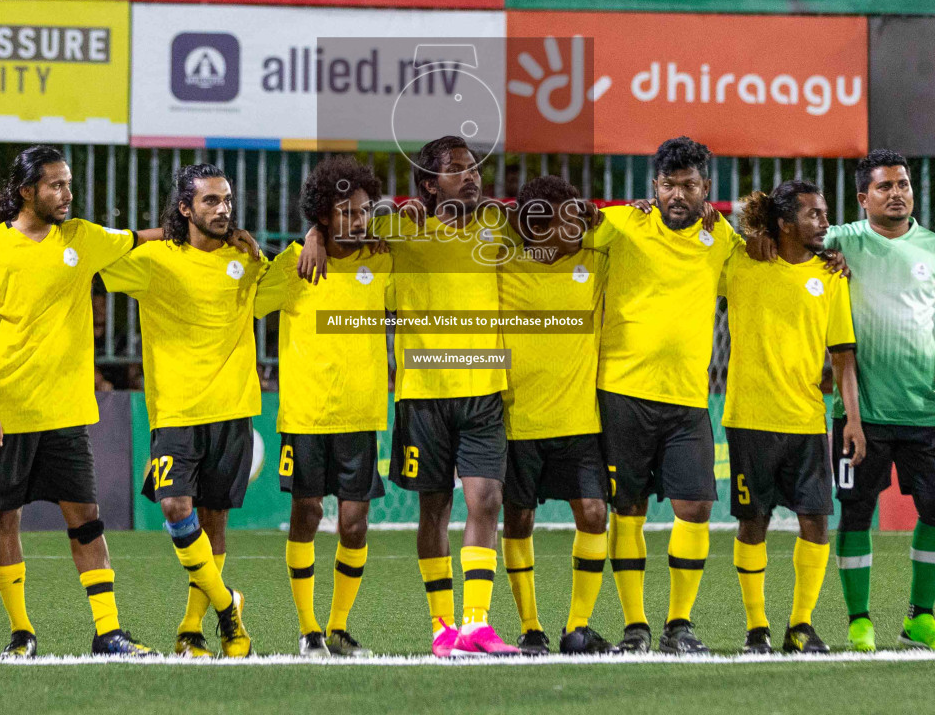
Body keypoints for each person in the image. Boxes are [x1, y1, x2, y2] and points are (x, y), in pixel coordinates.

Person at [298, 135, 521, 656]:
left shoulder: (498, 222)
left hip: (485, 388)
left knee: (486, 500)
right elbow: (340, 219)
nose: (472, 177)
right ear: (427, 183)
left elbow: (565, 219)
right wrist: (311, 233)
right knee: (435, 510)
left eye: (475, 169)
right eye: (458, 170)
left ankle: (477, 624)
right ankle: (443, 627)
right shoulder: (396, 227)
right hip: (422, 393)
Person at [0, 145, 158, 658]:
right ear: (27, 191)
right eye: (55, 185)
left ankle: (107, 631)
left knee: (86, 517)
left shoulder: (83, 239)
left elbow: (147, 238)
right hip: (7, 412)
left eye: (68, 184)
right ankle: (22, 632)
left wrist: (213, 231)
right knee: (4, 518)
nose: (67, 194)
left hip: (66, 413)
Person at [808, 150, 935, 651]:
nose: (897, 192)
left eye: (903, 184)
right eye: (885, 186)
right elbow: (786, 251)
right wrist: (819, 256)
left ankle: (920, 618)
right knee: (856, 512)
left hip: (925, 411)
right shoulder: (839, 242)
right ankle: (860, 619)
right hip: (860, 416)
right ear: (863, 198)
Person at [100, 163, 260, 659]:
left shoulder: (248, 260)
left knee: (215, 523)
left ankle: (192, 630)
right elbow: (93, 254)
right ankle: (226, 605)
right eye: (210, 201)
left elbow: (288, 287)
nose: (223, 209)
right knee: (175, 509)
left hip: (232, 409)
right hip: (174, 412)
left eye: (226, 200)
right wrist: (156, 232)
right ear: (185, 208)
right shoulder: (155, 261)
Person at [591, 136, 739, 654]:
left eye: (690, 185)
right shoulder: (622, 224)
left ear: (706, 190)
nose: (678, 194)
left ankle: (680, 624)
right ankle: (636, 625)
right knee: (626, 510)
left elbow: (771, 266)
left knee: (695, 506)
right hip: (621, 392)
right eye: (669, 184)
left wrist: (829, 257)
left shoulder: (722, 240)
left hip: (688, 399)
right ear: (654, 186)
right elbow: (560, 234)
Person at [252, 155, 390, 658]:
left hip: (361, 415)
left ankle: (338, 627)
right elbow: (246, 303)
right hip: (306, 416)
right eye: (347, 212)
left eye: (365, 211)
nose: (359, 221)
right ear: (324, 215)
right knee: (306, 513)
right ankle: (308, 628)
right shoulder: (294, 264)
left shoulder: (381, 259)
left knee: (354, 524)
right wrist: (307, 238)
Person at [721, 181, 860, 656]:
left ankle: (801, 626)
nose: (825, 222)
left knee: (817, 521)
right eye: (814, 215)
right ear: (783, 223)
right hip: (748, 416)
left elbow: (842, 356)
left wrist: (853, 420)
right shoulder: (739, 262)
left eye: (825, 214)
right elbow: (704, 238)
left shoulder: (832, 275)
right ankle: (756, 628)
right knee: (753, 521)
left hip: (805, 419)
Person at [497, 175, 615, 656]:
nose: (577, 227)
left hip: (580, 421)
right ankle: (530, 626)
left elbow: (629, 238)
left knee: (593, 514)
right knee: (518, 520)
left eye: (578, 218)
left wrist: (598, 221)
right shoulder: (502, 265)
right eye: (565, 218)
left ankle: (578, 627)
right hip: (516, 421)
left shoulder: (596, 261)